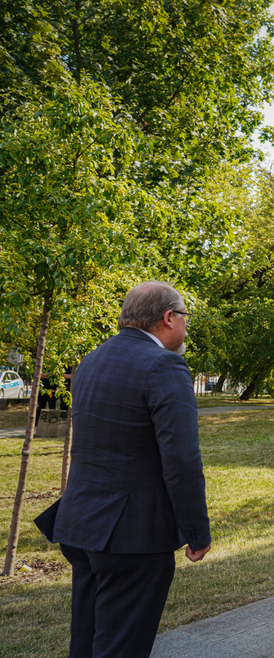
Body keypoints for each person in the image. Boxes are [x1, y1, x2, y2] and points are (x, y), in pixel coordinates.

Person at [50, 281, 211, 658]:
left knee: (87, 642)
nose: (186, 327)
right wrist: (197, 532)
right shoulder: (164, 364)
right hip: (133, 537)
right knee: (122, 646)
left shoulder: (92, 359)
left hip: (81, 526)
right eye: (184, 317)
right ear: (169, 318)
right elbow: (182, 460)